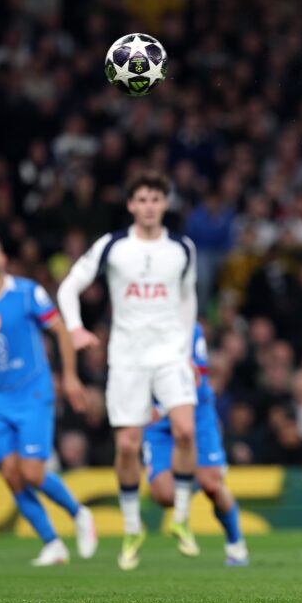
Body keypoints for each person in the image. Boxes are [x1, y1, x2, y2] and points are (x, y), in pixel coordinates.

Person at [57, 172, 198, 571]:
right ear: (131, 205)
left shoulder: (182, 249)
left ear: (164, 204)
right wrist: (75, 327)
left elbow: (188, 301)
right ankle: (133, 528)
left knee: (186, 430)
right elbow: (69, 287)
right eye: (142, 199)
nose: (150, 206)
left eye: (156, 198)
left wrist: (186, 351)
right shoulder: (113, 246)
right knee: (127, 446)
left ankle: (182, 519)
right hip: (127, 357)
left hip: (171, 355)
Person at [0, 234, 98, 565]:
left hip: (33, 392)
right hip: (0, 400)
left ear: (2, 258)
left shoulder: (28, 292)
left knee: (32, 472)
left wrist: (70, 377)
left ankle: (79, 513)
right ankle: (53, 543)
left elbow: (60, 331)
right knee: (12, 475)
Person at [143, 323, 249, 566]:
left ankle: (236, 543)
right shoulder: (138, 329)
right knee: (164, 495)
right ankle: (188, 478)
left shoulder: (189, 329)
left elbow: (197, 377)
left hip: (195, 411)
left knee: (211, 484)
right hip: (159, 420)